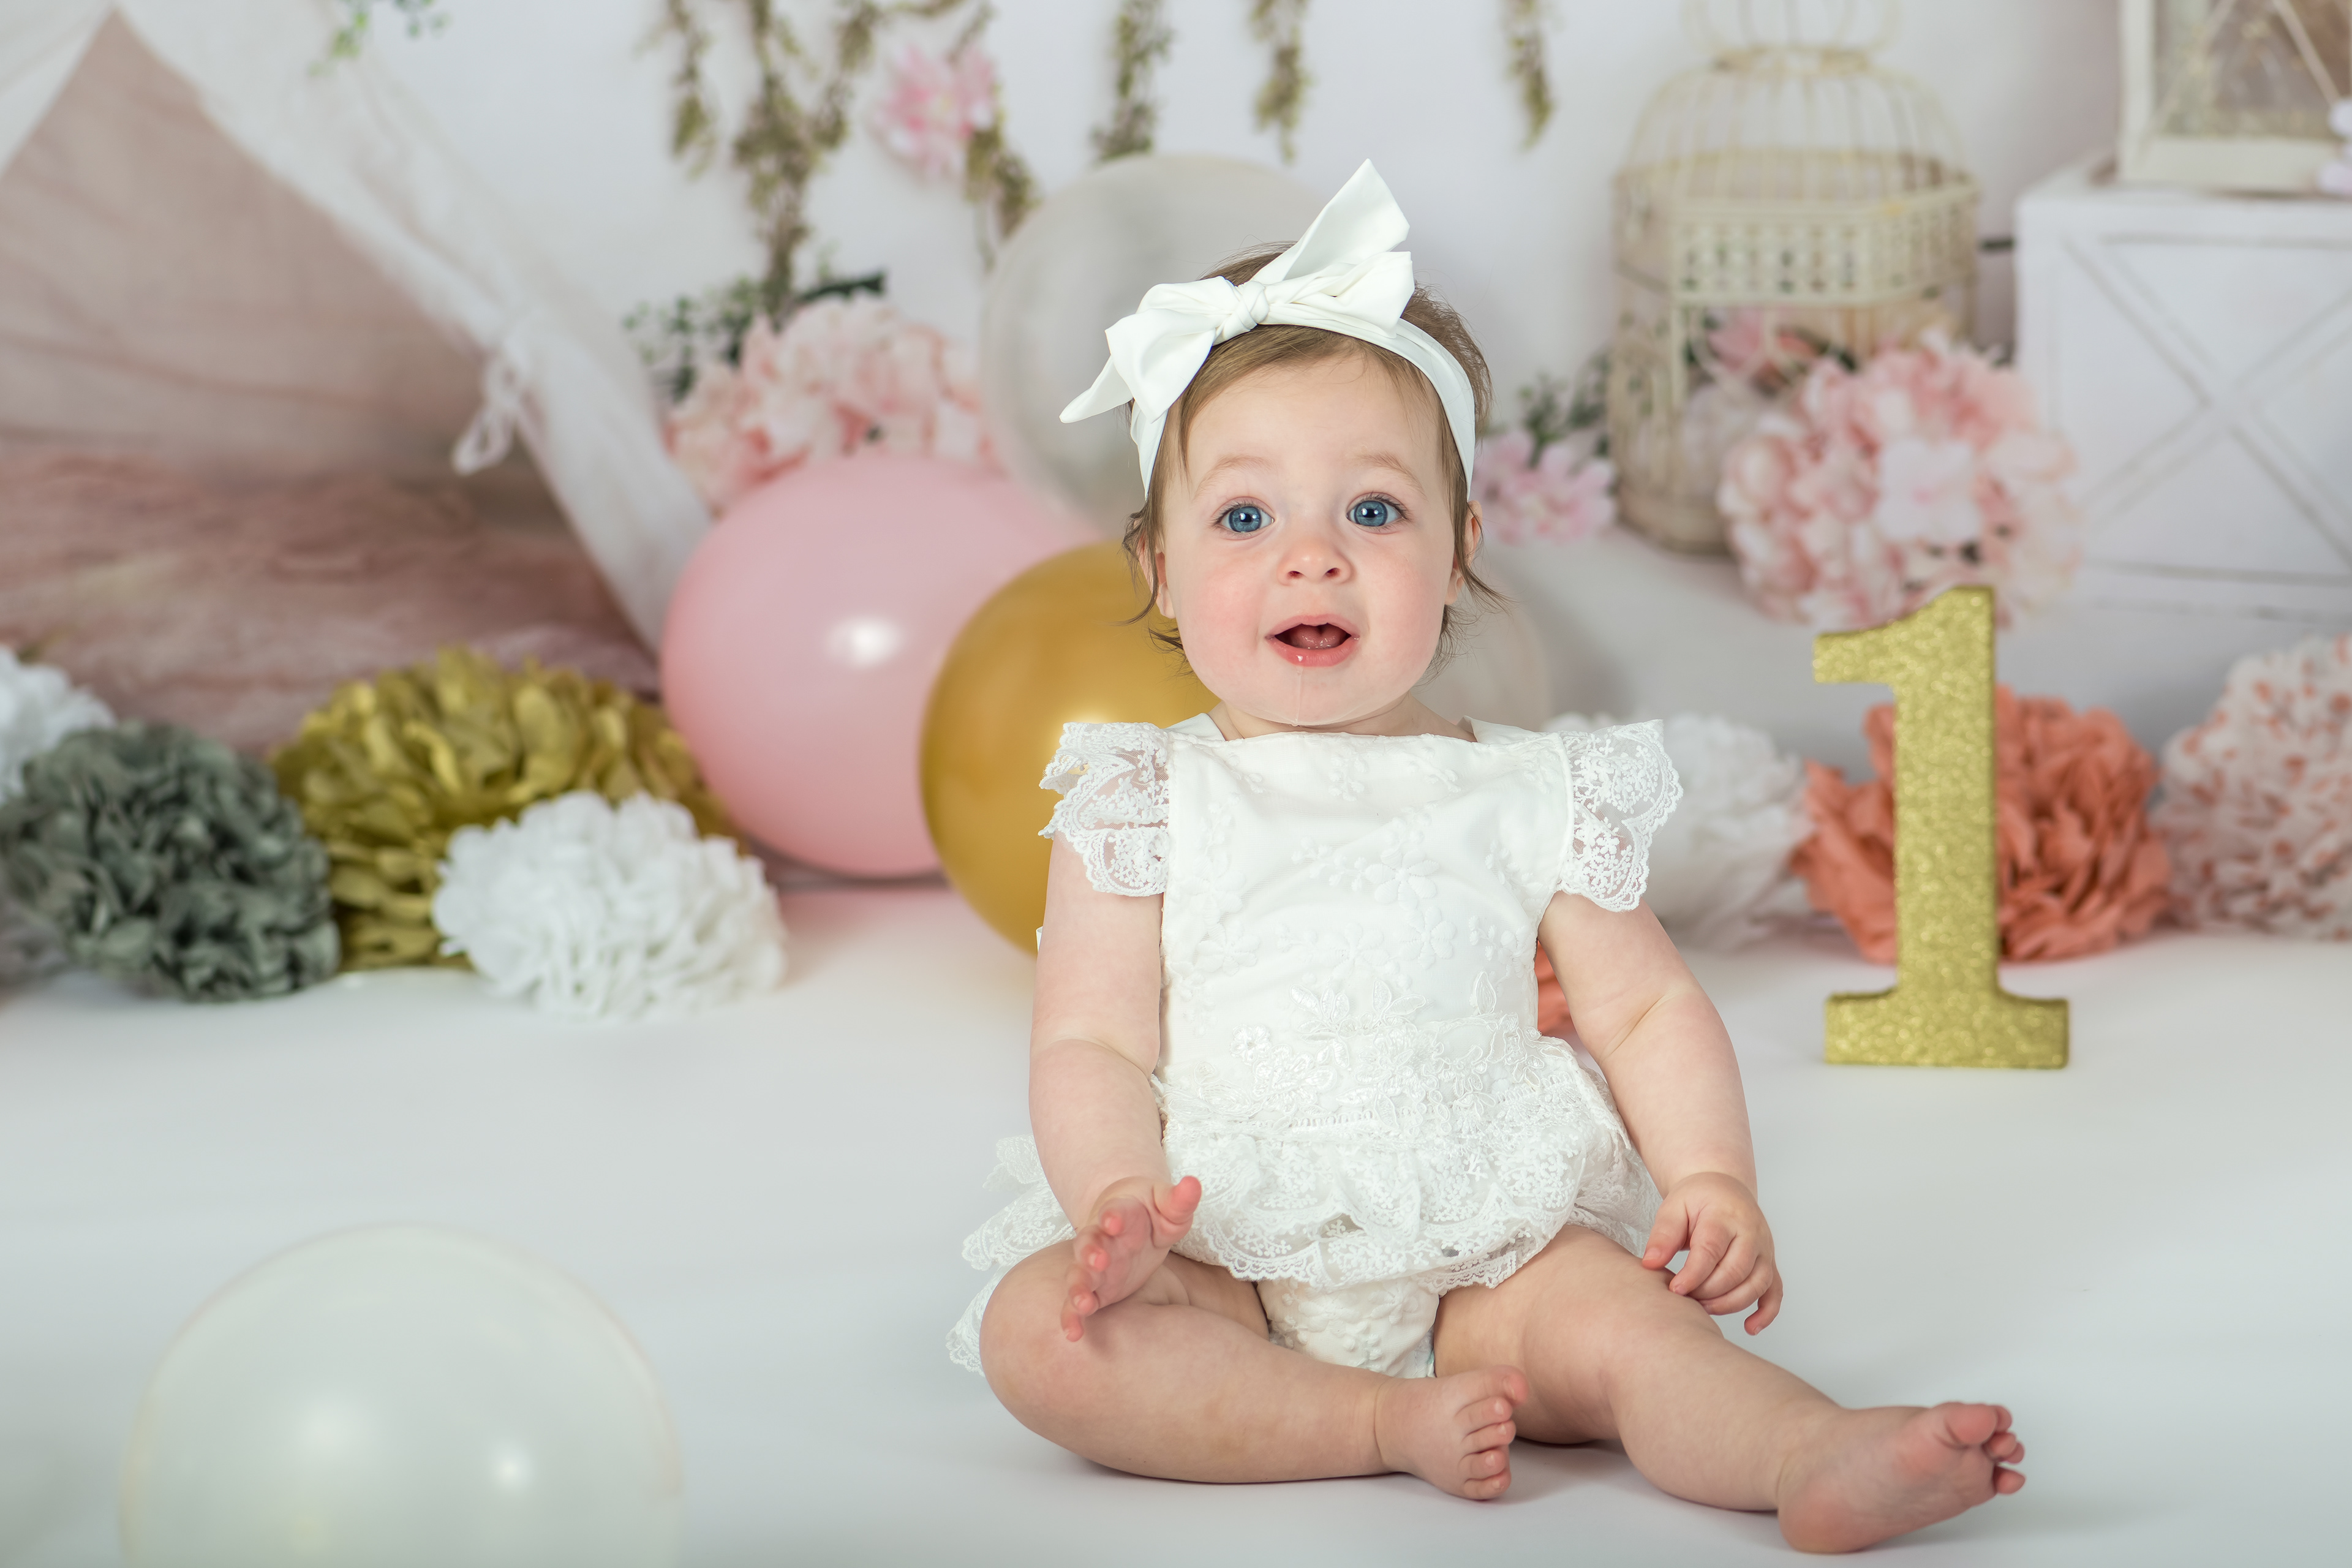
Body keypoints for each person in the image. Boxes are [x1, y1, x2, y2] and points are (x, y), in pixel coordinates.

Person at [948, 162, 2023, 1553]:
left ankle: (1804, 1449)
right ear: (1158, 567)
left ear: (1457, 555)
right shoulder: (1143, 796)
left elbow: (1647, 1005)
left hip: (1488, 1252)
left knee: (1633, 1328)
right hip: (1224, 1249)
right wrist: (1117, 1196)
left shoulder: (1528, 787)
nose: (1312, 558)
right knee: (1041, 1332)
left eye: (1373, 512)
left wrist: (1711, 1175)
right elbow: (1089, 1037)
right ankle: (1363, 1422)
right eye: (1246, 518)